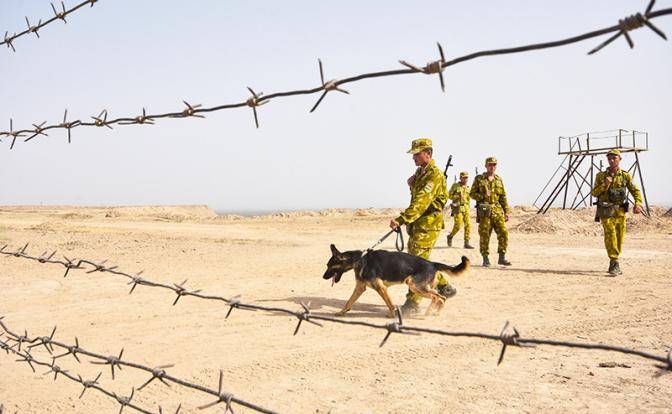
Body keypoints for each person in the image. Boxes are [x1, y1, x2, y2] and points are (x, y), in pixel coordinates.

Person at [389, 138, 456, 315]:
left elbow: (421, 202)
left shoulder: (434, 174)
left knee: (416, 268)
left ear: (429, 153)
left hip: (428, 226)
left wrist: (402, 219)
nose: (414, 157)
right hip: (418, 226)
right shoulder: (420, 173)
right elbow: (417, 196)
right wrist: (411, 185)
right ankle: (445, 287)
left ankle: (412, 305)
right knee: (418, 263)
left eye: (417, 154)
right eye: (413, 154)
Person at [591, 149, 643, 275]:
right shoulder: (601, 176)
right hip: (606, 211)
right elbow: (594, 193)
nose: (612, 160)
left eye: (614, 158)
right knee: (610, 234)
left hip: (620, 211)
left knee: (620, 237)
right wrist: (605, 184)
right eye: (609, 158)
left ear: (620, 159)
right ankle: (614, 261)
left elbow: (635, 190)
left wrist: (638, 203)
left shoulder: (625, 175)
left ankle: (614, 261)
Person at [470, 156, 511, 267]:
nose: (492, 167)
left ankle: (501, 257)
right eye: (490, 164)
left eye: (494, 165)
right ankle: (485, 258)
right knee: (484, 235)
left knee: (503, 233)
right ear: (486, 166)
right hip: (485, 211)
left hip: (497, 211)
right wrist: (483, 195)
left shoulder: (499, 179)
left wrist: (506, 211)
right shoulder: (479, 179)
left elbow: (503, 197)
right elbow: (471, 194)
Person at [447, 171, 474, 249]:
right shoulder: (455, 186)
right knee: (458, 225)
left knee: (468, 225)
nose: (465, 179)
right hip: (457, 207)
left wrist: (468, 208)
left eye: (466, 177)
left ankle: (466, 243)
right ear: (460, 178)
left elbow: (469, 199)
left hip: (466, 208)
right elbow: (449, 196)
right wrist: (457, 197)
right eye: (463, 177)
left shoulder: (468, 188)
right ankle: (450, 236)